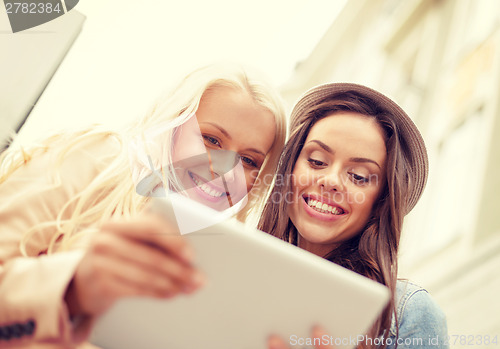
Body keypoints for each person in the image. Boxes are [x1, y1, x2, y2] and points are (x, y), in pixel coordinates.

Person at [0, 63, 286, 348]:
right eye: (212, 140)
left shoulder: (220, 264)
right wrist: (72, 288)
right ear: (174, 124)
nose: (227, 171)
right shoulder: (98, 159)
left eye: (249, 161)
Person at [259, 83, 448, 349]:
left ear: (381, 201)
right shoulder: (231, 274)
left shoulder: (409, 314)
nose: (331, 181)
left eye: (358, 176)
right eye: (316, 161)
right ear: (289, 168)